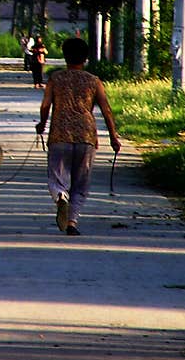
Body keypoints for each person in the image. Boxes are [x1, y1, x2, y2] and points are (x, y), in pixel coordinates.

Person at [35, 36, 121, 235]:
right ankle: (72, 222)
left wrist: (42, 123)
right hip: (86, 136)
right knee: (81, 182)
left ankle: (60, 197)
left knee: (57, 177)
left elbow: (46, 105)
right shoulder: (94, 81)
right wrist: (113, 137)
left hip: (60, 134)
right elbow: (106, 110)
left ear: (65, 56)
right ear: (85, 58)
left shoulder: (56, 79)